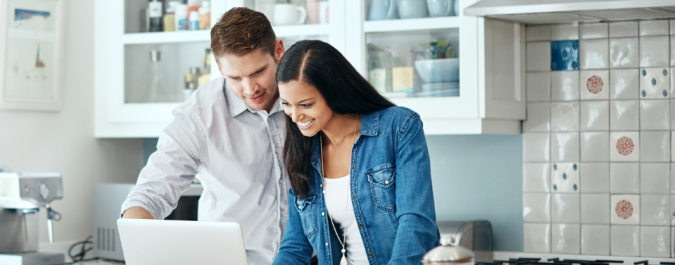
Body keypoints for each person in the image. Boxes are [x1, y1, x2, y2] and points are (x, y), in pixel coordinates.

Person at [119, 8, 290, 265]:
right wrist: (141, 247)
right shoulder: (198, 116)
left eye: (258, 72)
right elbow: (149, 196)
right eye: (235, 78)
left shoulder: (307, 99)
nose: (250, 88)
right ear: (219, 67)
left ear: (278, 51)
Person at [271, 40, 440, 265]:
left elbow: (416, 224)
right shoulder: (302, 152)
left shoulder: (399, 128)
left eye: (305, 104)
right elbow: (294, 248)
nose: (295, 116)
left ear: (333, 91)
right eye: (286, 104)